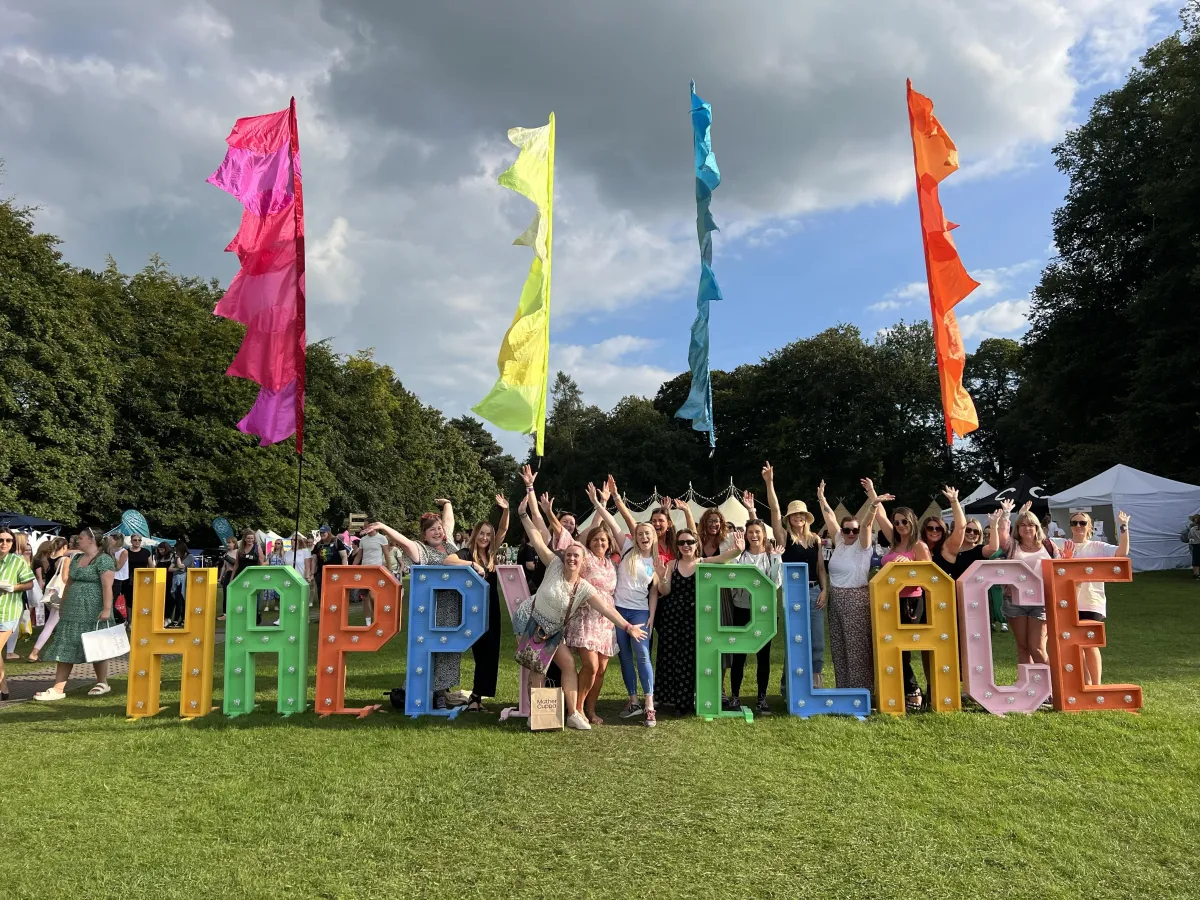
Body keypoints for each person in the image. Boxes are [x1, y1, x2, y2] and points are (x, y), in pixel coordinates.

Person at [513, 493, 647, 730]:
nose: (572, 558)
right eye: (570, 555)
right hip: (530, 619)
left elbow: (605, 608)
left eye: (577, 555)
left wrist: (627, 627)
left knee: (568, 666)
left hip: (553, 626)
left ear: (582, 560)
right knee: (537, 666)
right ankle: (537, 714)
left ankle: (574, 713)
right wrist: (524, 514)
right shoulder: (554, 565)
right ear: (565, 557)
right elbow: (538, 539)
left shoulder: (584, 586)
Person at [365, 497, 461, 710]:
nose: (437, 532)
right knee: (434, 650)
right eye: (432, 530)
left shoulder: (449, 544)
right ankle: (430, 694)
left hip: (454, 606)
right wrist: (383, 527)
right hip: (435, 608)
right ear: (424, 535)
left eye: (439, 529)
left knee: (451, 650)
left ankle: (441, 691)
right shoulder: (422, 550)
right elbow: (403, 542)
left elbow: (449, 522)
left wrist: (447, 504)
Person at [592, 475, 663, 725]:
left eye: (648, 534)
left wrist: (652, 616)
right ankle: (632, 699)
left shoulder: (656, 561)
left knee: (642, 655)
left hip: (640, 613)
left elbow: (655, 591)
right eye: (641, 533)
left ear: (654, 538)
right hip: (618, 610)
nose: (644, 537)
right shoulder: (626, 548)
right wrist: (600, 503)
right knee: (624, 657)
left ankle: (649, 703)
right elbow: (612, 522)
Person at [763, 462, 829, 689]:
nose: (797, 518)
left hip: (814, 591)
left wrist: (824, 590)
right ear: (790, 518)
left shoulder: (815, 540)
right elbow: (774, 511)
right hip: (793, 592)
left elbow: (820, 568)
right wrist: (769, 482)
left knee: (817, 641)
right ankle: (788, 686)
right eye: (794, 515)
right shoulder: (784, 538)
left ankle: (815, 686)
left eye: (801, 514)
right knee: (795, 640)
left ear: (806, 517)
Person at [866, 480, 930, 711]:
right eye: (897, 522)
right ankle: (902, 691)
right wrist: (873, 493)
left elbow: (930, 577)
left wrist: (910, 565)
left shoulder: (918, 546)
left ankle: (913, 692)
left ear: (912, 522)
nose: (900, 525)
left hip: (911, 602)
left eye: (904, 521)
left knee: (903, 648)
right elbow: (881, 516)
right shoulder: (894, 544)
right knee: (892, 648)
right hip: (889, 601)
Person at [445, 494, 510, 712]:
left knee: (490, 654)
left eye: (488, 534)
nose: (484, 537)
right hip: (472, 608)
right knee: (479, 651)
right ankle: (467, 696)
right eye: (481, 533)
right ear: (475, 534)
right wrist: (472, 564)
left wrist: (506, 511)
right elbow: (448, 561)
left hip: (491, 609)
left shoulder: (491, 553)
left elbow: (503, 530)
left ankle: (476, 697)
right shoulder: (467, 552)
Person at [34, 526, 116, 701]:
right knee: (67, 645)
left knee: (96, 645)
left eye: (81, 537)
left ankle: (102, 682)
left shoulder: (104, 560)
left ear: (91, 540)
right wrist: (62, 604)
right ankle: (58, 688)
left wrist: (107, 609)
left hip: (93, 610)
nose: (78, 540)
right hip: (72, 610)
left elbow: (107, 586)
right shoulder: (76, 557)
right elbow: (69, 583)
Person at [817, 482, 878, 695]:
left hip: (856, 601)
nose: (851, 533)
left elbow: (868, 525)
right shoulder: (840, 542)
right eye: (847, 530)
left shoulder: (863, 546)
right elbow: (830, 517)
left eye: (855, 530)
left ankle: (862, 691)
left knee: (857, 648)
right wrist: (822, 498)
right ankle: (844, 689)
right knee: (840, 646)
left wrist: (873, 505)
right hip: (836, 600)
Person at [1064, 510, 1131, 685]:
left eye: (1082, 523)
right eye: (1074, 523)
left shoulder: (1098, 546)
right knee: (1075, 646)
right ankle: (1085, 686)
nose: (1078, 526)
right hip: (1067, 602)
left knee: (1090, 643)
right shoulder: (1061, 544)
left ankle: (1096, 685)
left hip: (1091, 601)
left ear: (1089, 527)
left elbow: (1121, 552)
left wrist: (1124, 527)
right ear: (1070, 526)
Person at [1000, 502, 1060, 669]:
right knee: (1023, 647)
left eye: (1031, 524)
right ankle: (1030, 689)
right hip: (1014, 601)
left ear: (1037, 527)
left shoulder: (1048, 546)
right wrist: (1006, 514)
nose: (1027, 528)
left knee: (1037, 647)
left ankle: (1054, 686)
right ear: (1017, 528)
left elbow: (1061, 568)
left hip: (1041, 602)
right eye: (1023, 525)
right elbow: (1002, 536)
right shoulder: (1013, 546)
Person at [0, 528, 35, 699]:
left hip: (8, 610)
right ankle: (4, 688)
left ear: (13, 543)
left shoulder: (17, 561)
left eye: (8, 540)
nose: (4, 543)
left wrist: (12, 587)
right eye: (1, 540)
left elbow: (29, 584)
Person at [28, 538, 69, 663]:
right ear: (64, 547)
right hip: (60, 594)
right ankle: (34, 652)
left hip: (49, 593)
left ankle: (56, 651)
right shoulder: (65, 560)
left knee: (54, 624)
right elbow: (65, 578)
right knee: (51, 625)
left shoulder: (46, 559)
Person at [352, 525, 389, 627]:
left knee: (373, 596)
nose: (366, 528)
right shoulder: (363, 539)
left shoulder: (382, 538)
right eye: (365, 527)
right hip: (365, 570)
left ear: (374, 527)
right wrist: (352, 568)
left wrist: (389, 569)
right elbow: (359, 555)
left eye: (368, 526)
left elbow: (386, 554)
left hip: (376, 570)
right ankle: (368, 622)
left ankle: (377, 617)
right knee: (365, 597)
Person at [312, 526, 348, 600]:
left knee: (334, 591)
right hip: (321, 572)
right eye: (321, 532)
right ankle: (322, 609)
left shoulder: (336, 542)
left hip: (335, 572)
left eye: (323, 532)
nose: (322, 534)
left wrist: (344, 570)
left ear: (328, 533)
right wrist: (312, 573)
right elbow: (314, 560)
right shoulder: (318, 544)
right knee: (321, 592)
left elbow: (344, 556)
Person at [107, 535, 130, 624]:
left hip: (118, 579)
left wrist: (112, 555)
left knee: (111, 603)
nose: (109, 542)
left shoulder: (124, 552)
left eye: (111, 540)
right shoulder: (109, 550)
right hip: (110, 577)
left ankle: (121, 620)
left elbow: (118, 567)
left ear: (116, 540)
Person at [1186, 514, 1200, 580]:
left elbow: (1189, 536)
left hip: (1196, 544)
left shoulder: (1192, 528)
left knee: (1196, 559)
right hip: (1196, 544)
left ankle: (1196, 574)